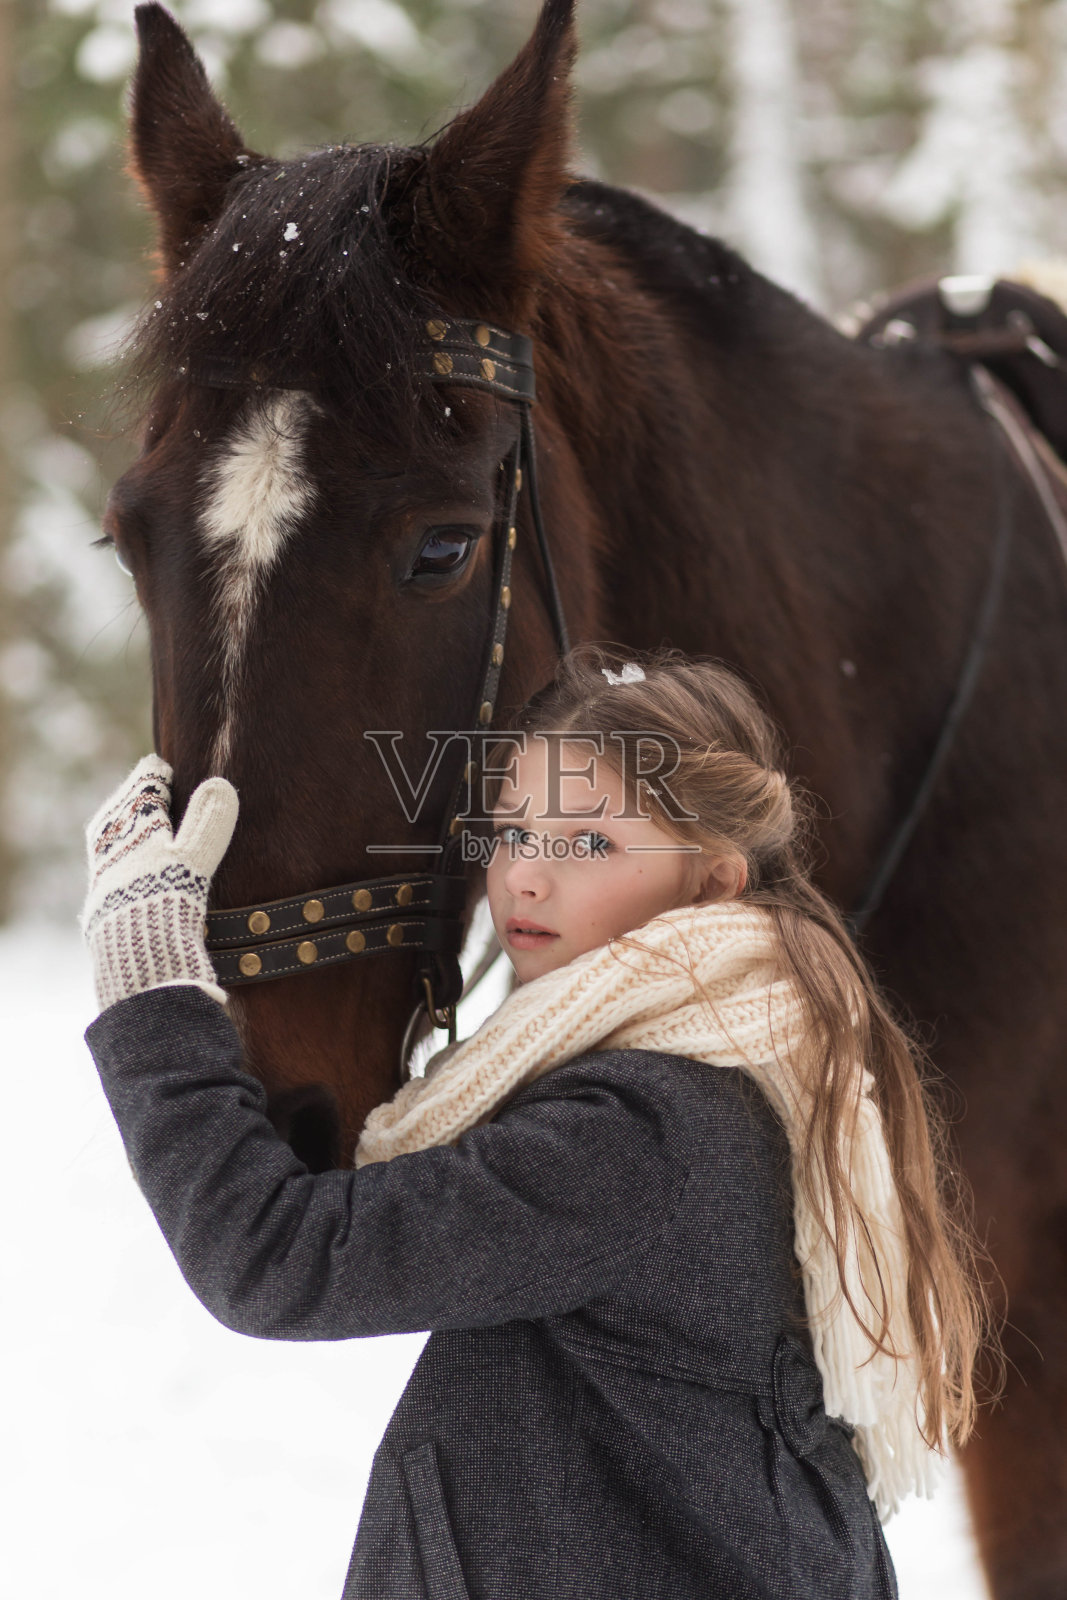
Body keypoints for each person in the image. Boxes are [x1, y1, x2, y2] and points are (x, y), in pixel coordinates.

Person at [81, 644, 987, 1600]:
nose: (524, 878)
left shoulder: (636, 1135)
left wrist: (148, 986)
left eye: (587, 844)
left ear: (713, 882)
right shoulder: (745, 1072)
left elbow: (276, 1259)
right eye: (512, 832)